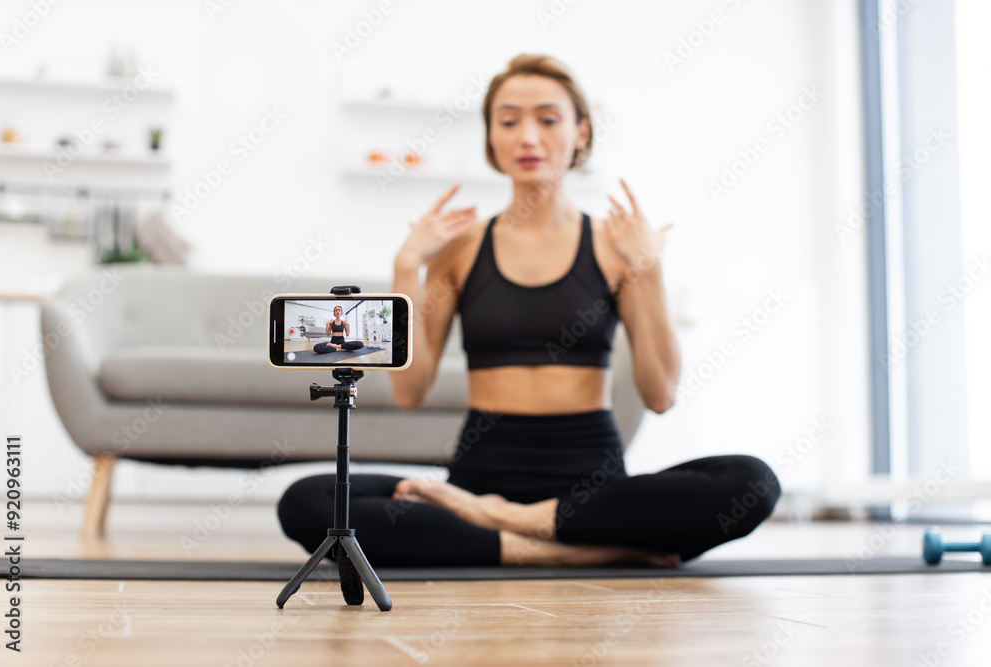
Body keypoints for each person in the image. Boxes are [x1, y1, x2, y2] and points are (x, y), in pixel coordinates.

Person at [278, 54, 780, 566]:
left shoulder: (615, 248)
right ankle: (570, 553)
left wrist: (649, 268)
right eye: (509, 120)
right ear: (491, 137)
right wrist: (407, 265)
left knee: (753, 482)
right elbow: (410, 392)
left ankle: (508, 525)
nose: (528, 138)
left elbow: (660, 395)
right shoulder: (462, 249)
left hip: (589, 486)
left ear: (581, 132)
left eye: (548, 119)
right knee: (307, 501)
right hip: (480, 476)